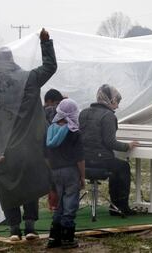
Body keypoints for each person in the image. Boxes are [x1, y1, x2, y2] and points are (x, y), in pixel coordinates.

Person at [0, 28, 57, 241]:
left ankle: (14, 229)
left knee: (8, 186)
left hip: (3, 149)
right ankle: (31, 227)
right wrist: (45, 43)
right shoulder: (29, 78)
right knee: (29, 184)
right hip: (29, 146)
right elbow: (50, 67)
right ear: (12, 59)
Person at [79, 84, 139, 215]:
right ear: (110, 100)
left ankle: (115, 206)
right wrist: (127, 146)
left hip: (83, 160)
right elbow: (110, 142)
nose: (117, 106)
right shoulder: (108, 116)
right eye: (117, 102)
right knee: (123, 167)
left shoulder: (83, 113)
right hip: (100, 160)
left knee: (116, 165)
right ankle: (120, 206)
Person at [46, 98, 85, 249]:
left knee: (59, 205)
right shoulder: (74, 132)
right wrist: (82, 176)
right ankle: (67, 238)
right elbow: (80, 159)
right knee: (70, 204)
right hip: (70, 171)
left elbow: (46, 154)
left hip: (55, 170)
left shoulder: (50, 129)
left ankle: (54, 238)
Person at [44, 88, 66, 211]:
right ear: (50, 101)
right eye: (57, 102)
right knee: (55, 180)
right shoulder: (51, 110)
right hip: (53, 150)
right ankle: (56, 205)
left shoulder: (39, 111)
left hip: (41, 151)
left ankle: (52, 205)